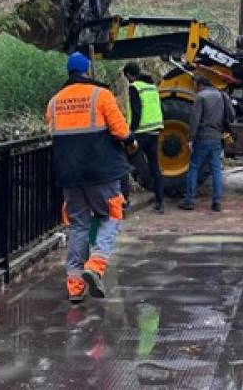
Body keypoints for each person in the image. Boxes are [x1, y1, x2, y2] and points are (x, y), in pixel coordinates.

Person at [47, 51, 136, 302]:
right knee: (111, 214)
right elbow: (121, 130)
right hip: (101, 171)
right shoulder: (101, 95)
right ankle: (95, 266)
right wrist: (131, 144)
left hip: (68, 174)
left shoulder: (54, 101)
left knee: (78, 225)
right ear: (88, 70)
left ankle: (75, 287)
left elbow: (54, 134)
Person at [180, 75, 234, 212]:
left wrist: (190, 139)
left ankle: (189, 201)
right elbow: (231, 115)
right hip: (217, 137)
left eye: (195, 85)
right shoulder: (222, 96)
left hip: (202, 138)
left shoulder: (200, 97)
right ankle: (216, 202)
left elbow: (194, 120)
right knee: (216, 169)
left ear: (199, 84)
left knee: (193, 167)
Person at [124, 62, 165, 214]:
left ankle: (125, 200)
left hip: (141, 132)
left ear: (129, 74)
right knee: (155, 166)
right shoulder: (152, 86)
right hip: (154, 131)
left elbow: (136, 111)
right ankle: (160, 202)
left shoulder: (135, 87)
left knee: (124, 161)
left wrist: (130, 131)